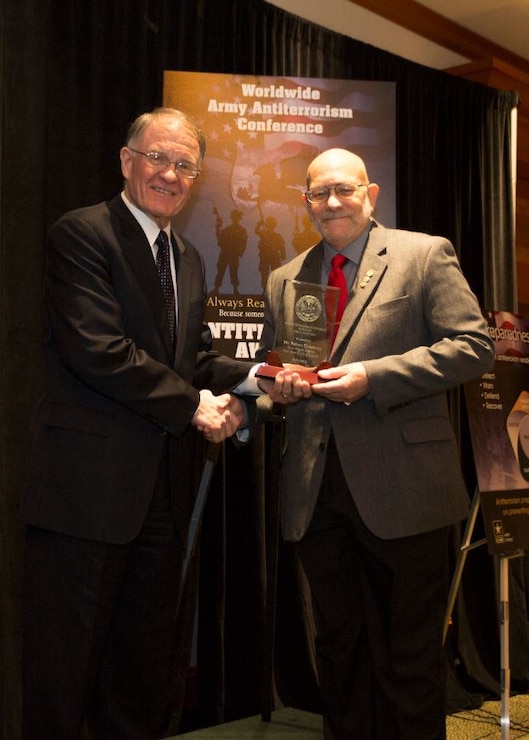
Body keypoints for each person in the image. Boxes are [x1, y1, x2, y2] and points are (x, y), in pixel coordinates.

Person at [20, 107, 253, 740]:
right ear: (128, 162)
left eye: (184, 165)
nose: (170, 174)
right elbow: (99, 349)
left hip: (164, 498)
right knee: (63, 675)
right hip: (86, 497)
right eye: (158, 158)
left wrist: (253, 385)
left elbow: (194, 357)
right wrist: (192, 405)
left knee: (142, 673)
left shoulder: (190, 257)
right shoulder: (82, 234)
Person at [256, 148, 495, 740]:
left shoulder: (423, 253)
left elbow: (473, 346)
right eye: (318, 193)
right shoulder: (286, 277)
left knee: (410, 657)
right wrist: (277, 392)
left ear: (371, 192)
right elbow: (275, 373)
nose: (332, 202)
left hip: (405, 488)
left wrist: (373, 377)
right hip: (316, 492)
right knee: (339, 652)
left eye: (344, 189)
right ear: (305, 202)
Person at [213, 207, 247, 293]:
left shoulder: (241, 230)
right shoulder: (227, 229)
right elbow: (220, 240)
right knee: (221, 270)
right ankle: (216, 288)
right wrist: (218, 227)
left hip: (234, 252)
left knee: (233, 271)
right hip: (225, 252)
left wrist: (241, 251)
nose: (235, 219)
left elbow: (244, 242)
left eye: (237, 217)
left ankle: (235, 289)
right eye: (234, 217)